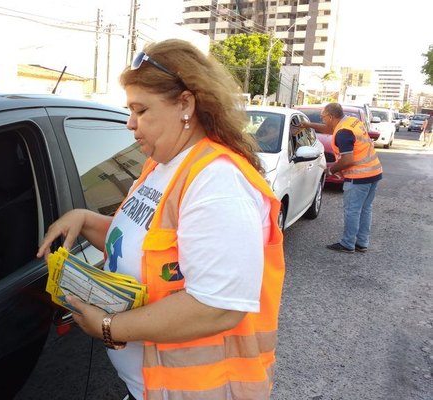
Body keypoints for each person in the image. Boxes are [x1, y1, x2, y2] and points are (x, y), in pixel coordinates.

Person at [37, 39, 285, 400]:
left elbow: (217, 307)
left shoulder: (217, 181)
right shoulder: (162, 165)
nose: (130, 123)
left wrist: (110, 327)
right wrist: (86, 219)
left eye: (141, 110)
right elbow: (145, 246)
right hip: (151, 388)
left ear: (185, 104)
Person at [301, 103, 383, 253]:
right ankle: (362, 243)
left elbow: (347, 160)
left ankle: (348, 244)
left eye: (323, 117)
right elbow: (329, 129)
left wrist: (330, 171)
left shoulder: (343, 132)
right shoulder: (351, 121)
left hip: (359, 176)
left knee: (352, 210)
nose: (322, 119)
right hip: (374, 172)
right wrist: (307, 125)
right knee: (365, 209)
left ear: (331, 117)